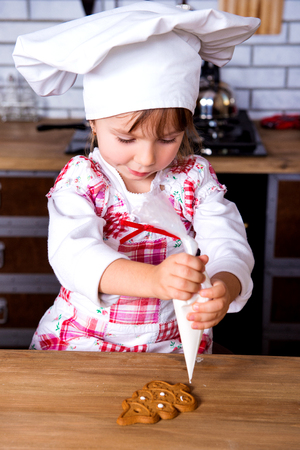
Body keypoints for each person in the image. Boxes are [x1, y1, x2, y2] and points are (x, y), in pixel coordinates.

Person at [13, 2, 259, 353]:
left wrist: (225, 284)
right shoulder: (82, 182)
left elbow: (228, 242)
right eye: (126, 139)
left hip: (172, 344)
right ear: (94, 123)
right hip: (83, 342)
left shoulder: (194, 179)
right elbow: (74, 255)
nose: (146, 158)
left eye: (168, 139)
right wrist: (155, 279)